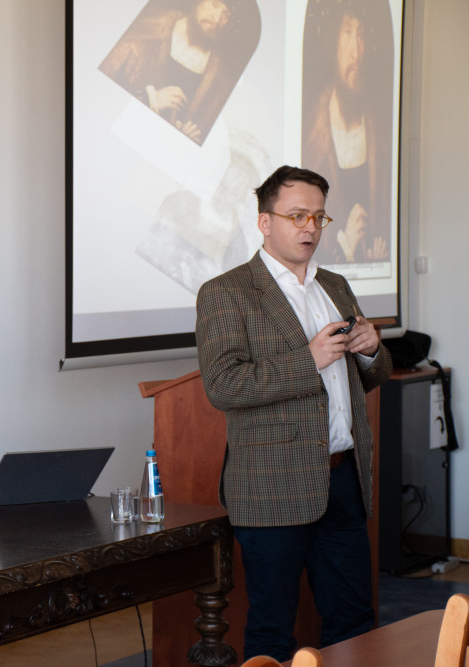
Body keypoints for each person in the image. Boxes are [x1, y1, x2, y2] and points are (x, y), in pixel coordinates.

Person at [195, 165, 392, 661]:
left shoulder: (336, 286)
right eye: (297, 215)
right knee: (272, 629)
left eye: (319, 217)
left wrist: (371, 350)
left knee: (355, 622)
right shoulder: (227, 292)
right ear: (265, 222)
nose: (310, 227)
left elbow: (365, 377)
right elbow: (223, 385)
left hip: (343, 479)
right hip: (271, 486)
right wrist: (309, 359)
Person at [302, 0, 392, 265]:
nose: (356, 51)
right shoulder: (313, 132)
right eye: (347, 32)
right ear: (333, 44)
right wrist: (344, 245)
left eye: (361, 34)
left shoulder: (377, 131)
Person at [99, 0, 259, 145]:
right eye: (214, 4)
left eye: (226, 14)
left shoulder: (220, 83)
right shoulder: (145, 30)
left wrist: (184, 142)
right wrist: (150, 99)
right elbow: (98, 98)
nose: (217, 19)